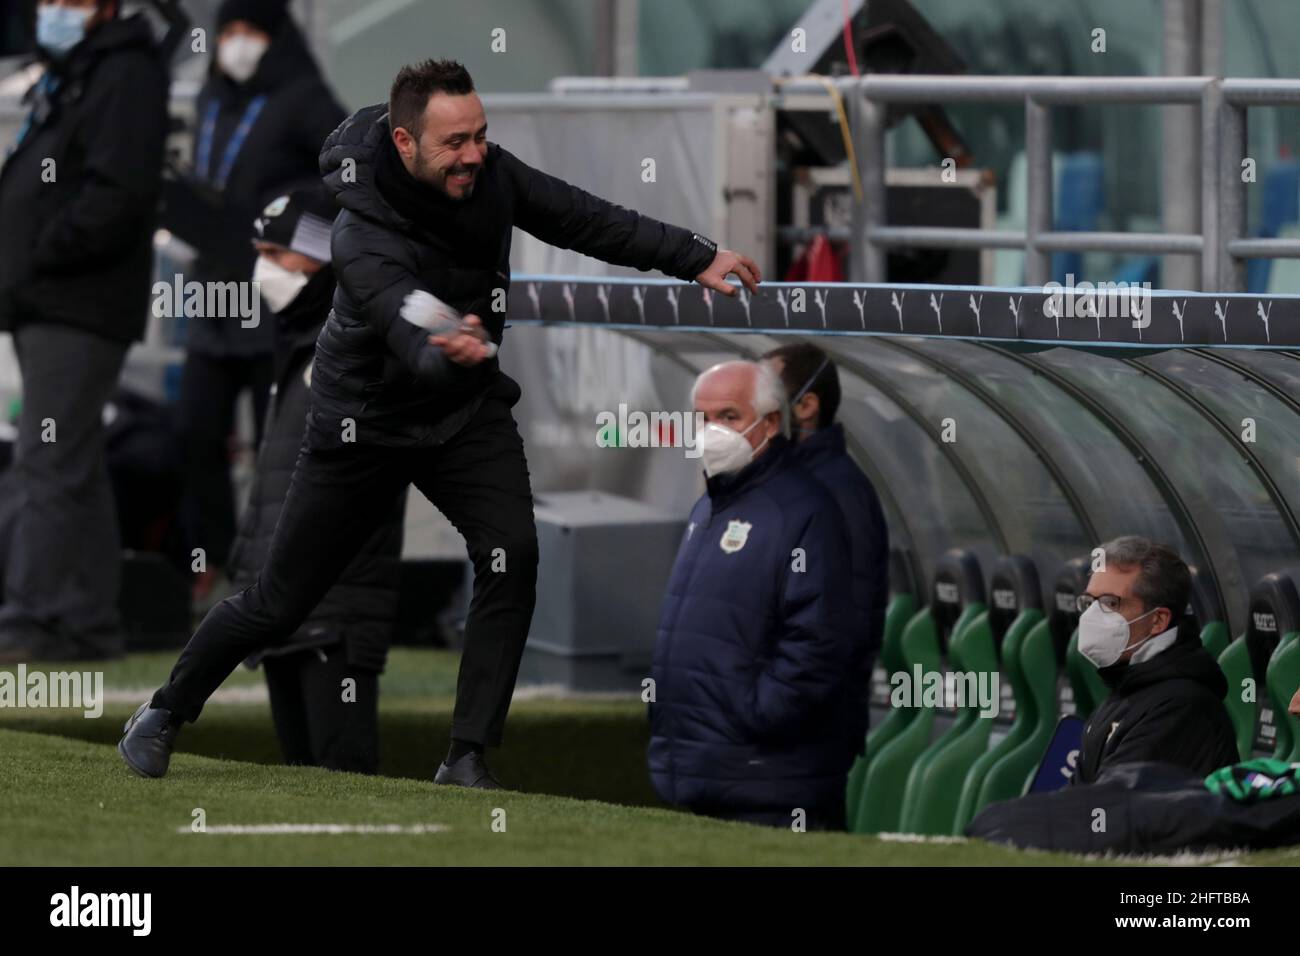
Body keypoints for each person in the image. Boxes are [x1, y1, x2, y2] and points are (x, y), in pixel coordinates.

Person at [119, 58, 761, 788]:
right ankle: (166, 711)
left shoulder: (495, 175)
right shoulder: (357, 231)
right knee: (278, 599)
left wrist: (697, 256)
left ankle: (466, 756)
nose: (474, 155)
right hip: (364, 419)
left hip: (464, 408)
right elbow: (403, 322)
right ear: (403, 142)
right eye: (455, 142)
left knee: (511, 553)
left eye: (480, 135)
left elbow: (588, 219)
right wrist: (443, 344)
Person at [0, 0, 168, 661]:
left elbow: (115, 196)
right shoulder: (82, 70)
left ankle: (28, 621)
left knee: (47, 463)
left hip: (76, 302)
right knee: (75, 463)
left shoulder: (123, 73)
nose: (50, 10)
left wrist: (39, 256)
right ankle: (87, 622)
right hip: (53, 302)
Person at [225, 186, 405, 775]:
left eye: (280, 255)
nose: (265, 270)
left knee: (343, 779)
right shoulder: (299, 342)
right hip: (282, 607)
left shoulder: (365, 337)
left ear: (326, 256)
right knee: (299, 780)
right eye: (259, 252)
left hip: (336, 610)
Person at [173, 0, 346, 610]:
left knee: (278, 438)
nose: (238, 45)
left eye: (252, 33)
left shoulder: (301, 96)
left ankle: (275, 568)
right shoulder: (212, 99)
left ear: (275, 38)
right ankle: (215, 556)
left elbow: (345, 173)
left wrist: (295, 236)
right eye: (230, 32)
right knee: (196, 430)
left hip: (274, 298)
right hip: (213, 293)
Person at [648, 360, 860, 830]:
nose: (711, 433)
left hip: (769, 777)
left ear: (770, 422)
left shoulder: (805, 509)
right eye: (702, 419)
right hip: (711, 766)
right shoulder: (708, 506)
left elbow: (819, 640)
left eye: (728, 417)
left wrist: (755, 716)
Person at [762, 342, 888, 773]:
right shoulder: (785, 483)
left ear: (806, 406)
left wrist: (780, 704)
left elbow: (841, 621)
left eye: (766, 397)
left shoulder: (837, 491)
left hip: (810, 729)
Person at [1073, 536, 1238, 784]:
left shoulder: (1181, 707)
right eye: (1089, 602)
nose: (1092, 615)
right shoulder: (1127, 688)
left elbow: (1113, 810)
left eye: (1110, 603)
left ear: (1158, 620)